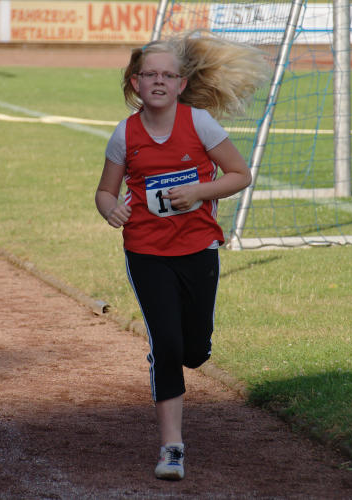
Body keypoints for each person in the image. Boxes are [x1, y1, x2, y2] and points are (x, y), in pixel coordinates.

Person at [95, 30, 268, 481]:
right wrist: (110, 209)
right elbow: (104, 191)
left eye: (167, 75)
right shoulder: (125, 134)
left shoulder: (201, 124)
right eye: (148, 74)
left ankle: (192, 349)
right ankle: (172, 448)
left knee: (194, 348)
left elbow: (239, 174)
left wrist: (198, 191)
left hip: (198, 249)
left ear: (181, 84)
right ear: (135, 83)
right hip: (146, 252)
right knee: (166, 345)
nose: (157, 81)